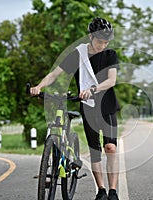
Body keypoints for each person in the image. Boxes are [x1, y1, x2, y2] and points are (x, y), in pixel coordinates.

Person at [30, 17, 120, 200]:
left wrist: (93, 89)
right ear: (90, 37)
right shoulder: (79, 54)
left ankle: (113, 191)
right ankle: (101, 190)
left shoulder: (110, 55)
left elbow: (112, 81)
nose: (102, 45)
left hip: (107, 106)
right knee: (95, 151)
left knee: (110, 147)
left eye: (106, 41)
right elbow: (55, 73)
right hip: (88, 107)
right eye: (99, 41)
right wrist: (39, 86)